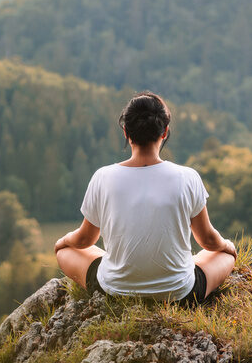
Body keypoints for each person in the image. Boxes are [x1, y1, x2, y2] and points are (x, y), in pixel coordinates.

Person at [55, 91, 236, 304]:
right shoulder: (187, 177)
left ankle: (125, 277)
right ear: (165, 131)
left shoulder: (103, 177)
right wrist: (227, 246)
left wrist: (63, 241)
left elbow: (85, 240)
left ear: (125, 132)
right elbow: (207, 240)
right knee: (224, 256)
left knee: (66, 252)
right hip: (180, 295)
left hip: (114, 293)